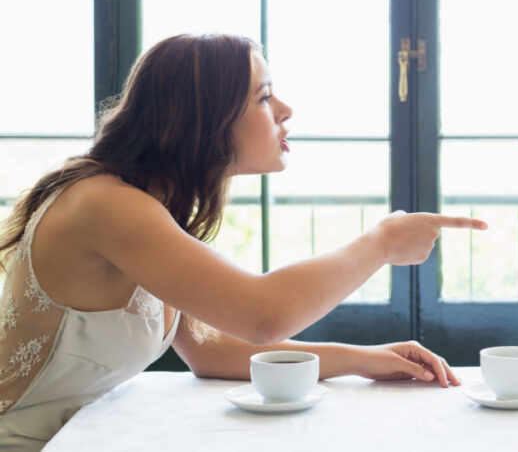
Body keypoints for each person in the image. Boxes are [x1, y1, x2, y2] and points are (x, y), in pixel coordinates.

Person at [0, 33, 487, 448]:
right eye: (263, 96)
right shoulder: (105, 205)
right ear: (201, 119)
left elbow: (213, 352)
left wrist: (367, 359)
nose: (285, 109)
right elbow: (261, 314)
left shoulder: (149, 208)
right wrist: (380, 243)